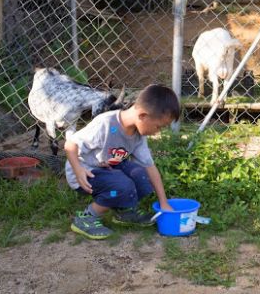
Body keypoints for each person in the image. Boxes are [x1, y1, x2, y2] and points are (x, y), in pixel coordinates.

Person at [64, 84, 179, 240]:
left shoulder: (138, 135)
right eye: (159, 127)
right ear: (143, 116)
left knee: (142, 176)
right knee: (122, 186)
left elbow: (150, 167)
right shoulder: (105, 124)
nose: (158, 132)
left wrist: (164, 203)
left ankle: (124, 212)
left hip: (109, 167)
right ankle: (86, 218)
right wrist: (78, 171)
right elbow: (70, 144)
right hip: (84, 171)